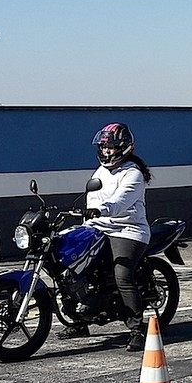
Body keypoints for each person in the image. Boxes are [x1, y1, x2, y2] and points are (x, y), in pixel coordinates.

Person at [57, 122, 152, 352]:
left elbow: (120, 203)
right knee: (68, 264)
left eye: (110, 147)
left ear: (124, 147)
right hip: (99, 227)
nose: (106, 151)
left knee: (122, 273)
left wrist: (103, 210)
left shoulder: (133, 173)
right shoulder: (101, 172)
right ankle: (80, 321)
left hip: (128, 230)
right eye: (103, 147)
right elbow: (91, 200)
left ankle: (137, 329)